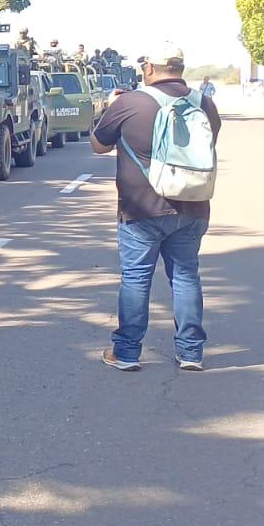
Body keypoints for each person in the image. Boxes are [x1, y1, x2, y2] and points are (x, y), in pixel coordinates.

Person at [90, 41, 221, 371]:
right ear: (180, 68)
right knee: (186, 276)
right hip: (193, 205)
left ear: (149, 68)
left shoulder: (131, 102)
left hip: (142, 208)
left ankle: (127, 352)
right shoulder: (203, 102)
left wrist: (109, 108)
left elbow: (98, 145)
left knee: (136, 278)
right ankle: (191, 353)